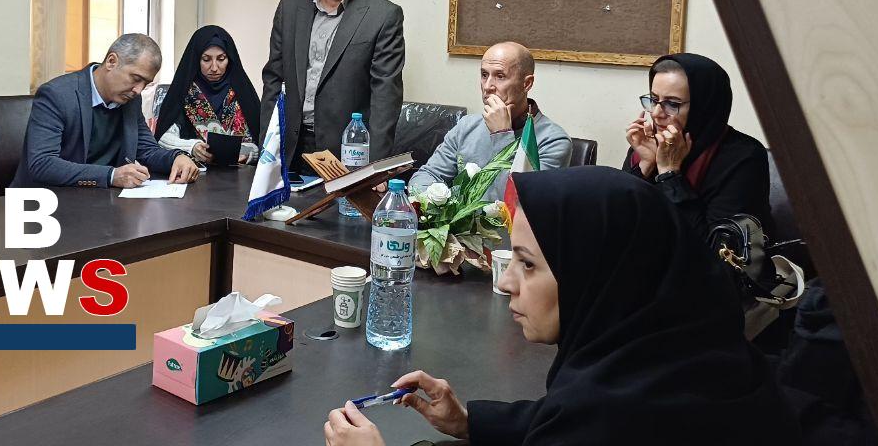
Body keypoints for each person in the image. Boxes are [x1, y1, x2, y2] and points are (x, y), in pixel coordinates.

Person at [323, 167, 800, 445]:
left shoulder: (611, 416)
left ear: (597, 274)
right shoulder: (689, 361)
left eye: (528, 264)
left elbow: (583, 423)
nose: (506, 282)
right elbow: (565, 417)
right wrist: (470, 421)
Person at [260, 0, 405, 170]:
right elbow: (273, 81)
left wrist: (375, 168)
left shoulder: (383, 16)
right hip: (289, 147)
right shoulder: (290, 9)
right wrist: (267, 148)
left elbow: (385, 98)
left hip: (346, 152)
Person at [12, 33, 200, 189]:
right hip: (42, 205)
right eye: (136, 78)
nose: (138, 90)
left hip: (99, 203)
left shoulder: (131, 100)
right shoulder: (57, 95)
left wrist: (177, 157)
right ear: (111, 61)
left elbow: (146, 150)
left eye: (146, 83)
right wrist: (111, 175)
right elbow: (43, 164)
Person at [623, 52, 774, 237]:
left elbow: (714, 247)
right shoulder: (649, 142)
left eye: (672, 104)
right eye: (654, 100)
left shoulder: (743, 157)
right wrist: (644, 166)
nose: (656, 114)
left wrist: (670, 174)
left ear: (703, 107)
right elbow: (618, 217)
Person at [408, 42, 571, 201]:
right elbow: (427, 176)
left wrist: (501, 135)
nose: (487, 86)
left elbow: (519, 203)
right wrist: (439, 208)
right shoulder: (467, 126)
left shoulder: (553, 140)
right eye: (484, 75)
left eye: (500, 76)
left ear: (526, 84)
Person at [153, 26, 260, 165]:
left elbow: (264, 142)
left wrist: (248, 153)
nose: (214, 67)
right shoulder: (184, 92)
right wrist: (192, 147)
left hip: (239, 173)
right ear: (196, 59)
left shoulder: (242, 93)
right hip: (192, 171)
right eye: (206, 59)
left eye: (221, 59)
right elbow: (163, 137)